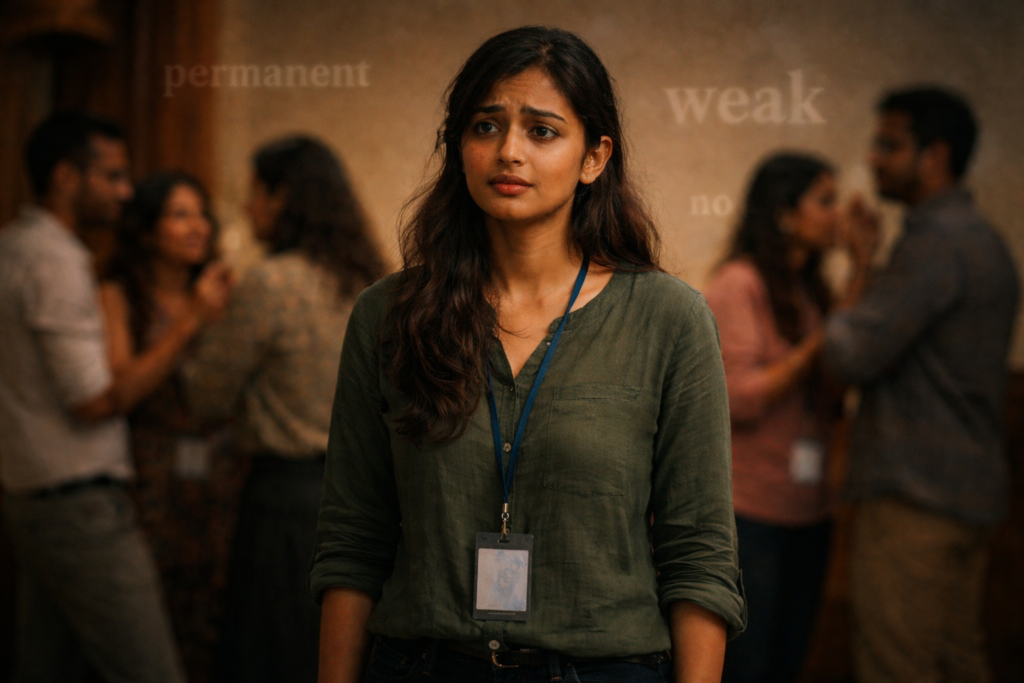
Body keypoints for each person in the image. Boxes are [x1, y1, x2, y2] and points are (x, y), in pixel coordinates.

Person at [311, 26, 746, 683]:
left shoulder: (670, 319)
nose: (508, 151)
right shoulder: (389, 314)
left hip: (602, 670)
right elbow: (353, 539)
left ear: (594, 157)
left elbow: (700, 554)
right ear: (458, 147)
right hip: (423, 665)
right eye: (486, 126)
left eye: (542, 131)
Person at [823, 87, 1020, 683]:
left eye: (889, 145)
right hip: (967, 495)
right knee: (958, 661)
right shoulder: (983, 239)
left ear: (935, 156)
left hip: (915, 499)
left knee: (897, 666)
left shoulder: (936, 243)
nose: (873, 159)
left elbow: (848, 354)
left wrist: (860, 265)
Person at [180, 135, 386, 683]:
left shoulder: (271, 283)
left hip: (285, 500)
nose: (248, 209)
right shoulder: (371, 282)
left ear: (283, 197)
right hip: (366, 498)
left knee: (273, 653)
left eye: (255, 194)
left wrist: (196, 321)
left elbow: (206, 396)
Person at [0, 111, 194, 682]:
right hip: (78, 502)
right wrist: (190, 324)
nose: (124, 192)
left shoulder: (12, 246)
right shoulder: (55, 261)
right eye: (111, 175)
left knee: (45, 668)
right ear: (66, 176)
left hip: (33, 494)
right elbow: (91, 401)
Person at [705, 153, 859, 683]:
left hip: (810, 510)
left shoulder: (810, 290)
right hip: (751, 513)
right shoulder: (739, 283)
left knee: (789, 660)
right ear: (785, 214)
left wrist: (861, 272)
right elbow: (740, 398)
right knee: (748, 664)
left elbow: (835, 395)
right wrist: (821, 341)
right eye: (825, 200)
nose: (837, 214)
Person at [100, 171, 241, 682]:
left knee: (215, 617)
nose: (197, 226)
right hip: (149, 474)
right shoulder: (119, 295)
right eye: (180, 215)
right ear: (145, 230)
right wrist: (190, 322)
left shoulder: (226, 293)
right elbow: (122, 390)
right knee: (146, 617)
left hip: (221, 476)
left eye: (202, 214)